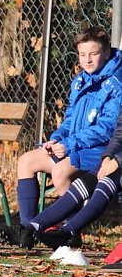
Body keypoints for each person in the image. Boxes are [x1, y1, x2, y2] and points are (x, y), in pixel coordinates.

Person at [10, 26, 122, 248]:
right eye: (82, 55)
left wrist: (69, 144)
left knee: (60, 172)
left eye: (94, 53)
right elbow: (70, 118)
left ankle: (70, 235)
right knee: (27, 161)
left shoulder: (116, 83)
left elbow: (107, 129)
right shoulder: (80, 80)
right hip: (74, 145)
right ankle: (27, 231)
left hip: (98, 149)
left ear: (106, 53)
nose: (87, 60)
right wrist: (57, 138)